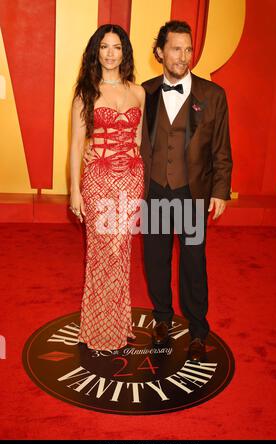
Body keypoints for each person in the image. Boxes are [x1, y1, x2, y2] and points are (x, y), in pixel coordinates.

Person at [141, 20, 233, 361]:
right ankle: (162, 318)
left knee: (194, 263)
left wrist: (221, 191)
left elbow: (222, 149)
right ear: (160, 53)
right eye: (176, 48)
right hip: (153, 191)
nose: (183, 56)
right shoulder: (144, 92)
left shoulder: (213, 95)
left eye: (188, 49)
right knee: (155, 260)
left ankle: (197, 330)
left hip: (191, 194)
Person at [69, 24, 145, 351]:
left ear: (124, 52)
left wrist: (135, 165)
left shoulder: (138, 92)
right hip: (98, 180)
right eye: (104, 47)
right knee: (103, 252)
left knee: (121, 251)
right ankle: (99, 328)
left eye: (116, 47)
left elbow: (139, 139)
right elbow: (75, 146)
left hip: (130, 178)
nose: (110, 53)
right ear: (96, 52)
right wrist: (75, 190)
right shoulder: (86, 91)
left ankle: (117, 323)